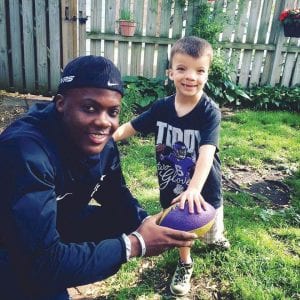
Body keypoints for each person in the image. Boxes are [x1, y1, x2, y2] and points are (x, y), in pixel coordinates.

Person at [0, 55, 197, 300]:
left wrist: (144, 221)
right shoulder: (25, 152)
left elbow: (115, 194)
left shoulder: (101, 142)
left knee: (121, 219)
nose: (103, 122)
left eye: (112, 112)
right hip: (13, 245)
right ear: (61, 103)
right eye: (90, 108)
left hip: (56, 219)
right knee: (46, 280)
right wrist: (135, 245)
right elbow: (42, 263)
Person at [113, 36, 230, 296]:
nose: (191, 76)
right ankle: (185, 263)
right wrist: (107, 137)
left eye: (200, 70)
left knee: (211, 231)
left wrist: (195, 189)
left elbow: (207, 152)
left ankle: (217, 236)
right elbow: (131, 127)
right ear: (170, 73)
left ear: (207, 75)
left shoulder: (209, 112)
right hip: (172, 184)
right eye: (182, 69)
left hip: (204, 188)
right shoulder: (161, 108)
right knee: (181, 228)